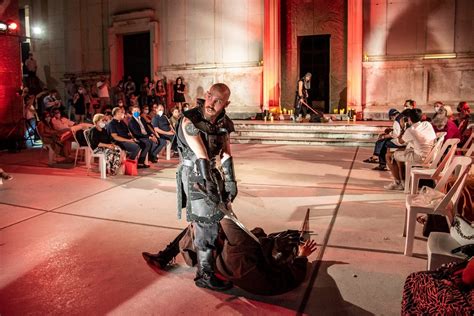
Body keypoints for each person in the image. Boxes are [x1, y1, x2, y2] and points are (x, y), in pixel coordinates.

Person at [143, 218, 318, 295]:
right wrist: (301, 256)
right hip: (230, 265)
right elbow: (293, 276)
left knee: (204, 223)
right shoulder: (271, 272)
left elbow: (226, 219)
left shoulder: (248, 248)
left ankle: (171, 258)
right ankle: (167, 256)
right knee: (203, 226)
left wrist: (301, 256)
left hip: (228, 261)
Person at [172, 83, 236, 291]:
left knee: (214, 217)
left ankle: (168, 253)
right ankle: (205, 275)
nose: (212, 103)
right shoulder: (190, 119)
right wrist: (209, 184)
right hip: (193, 173)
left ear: (226, 103)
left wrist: (230, 181)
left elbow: (225, 152)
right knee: (206, 219)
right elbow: (201, 154)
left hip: (211, 171)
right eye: (210, 97)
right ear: (206, 95)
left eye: (218, 101)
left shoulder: (224, 122)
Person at [385, 108, 436, 190]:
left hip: (420, 157)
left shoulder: (411, 130)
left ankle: (397, 182)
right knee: (399, 153)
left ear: (409, 119)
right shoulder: (427, 124)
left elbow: (400, 142)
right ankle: (403, 182)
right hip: (431, 155)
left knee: (388, 156)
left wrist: (402, 128)